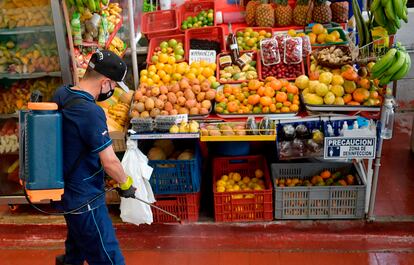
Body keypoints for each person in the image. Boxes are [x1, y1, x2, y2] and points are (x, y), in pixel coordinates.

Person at [53, 50, 136, 265]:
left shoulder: (63, 93)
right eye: (114, 86)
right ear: (105, 82)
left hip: (67, 190)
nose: (113, 90)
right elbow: (109, 161)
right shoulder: (90, 112)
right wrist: (125, 183)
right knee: (107, 254)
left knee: (78, 243)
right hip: (85, 197)